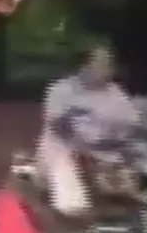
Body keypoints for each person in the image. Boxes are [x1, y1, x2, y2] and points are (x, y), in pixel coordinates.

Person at [37, 44, 140, 219]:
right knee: (65, 164)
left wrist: (117, 147)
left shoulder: (116, 93)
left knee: (134, 166)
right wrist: (85, 150)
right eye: (101, 63)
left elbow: (130, 125)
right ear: (84, 66)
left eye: (109, 64)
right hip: (66, 149)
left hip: (106, 151)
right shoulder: (62, 90)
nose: (108, 68)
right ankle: (74, 220)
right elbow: (59, 126)